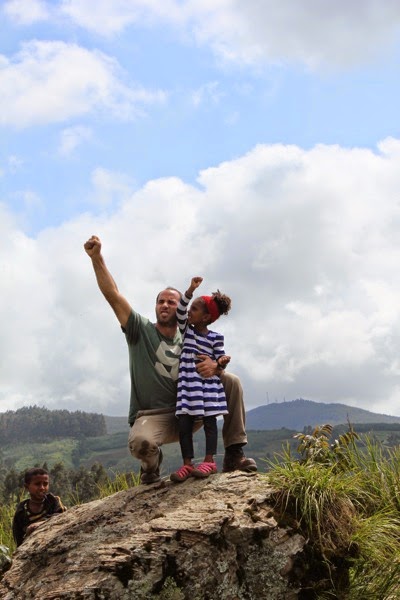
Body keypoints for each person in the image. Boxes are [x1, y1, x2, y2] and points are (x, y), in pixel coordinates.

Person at [84, 235, 257, 484]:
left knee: (231, 381)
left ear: (182, 309)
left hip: (192, 407)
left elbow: (216, 363)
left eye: (171, 302)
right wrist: (97, 258)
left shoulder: (191, 337)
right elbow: (113, 295)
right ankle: (151, 467)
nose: (165, 305)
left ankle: (234, 454)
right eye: (160, 301)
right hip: (155, 416)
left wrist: (216, 368)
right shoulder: (140, 330)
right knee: (141, 443)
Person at [171, 276, 231, 482]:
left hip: (208, 388)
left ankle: (209, 461)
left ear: (206, 317)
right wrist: (190, 291)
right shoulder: (186, 331)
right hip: (188, 388)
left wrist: (221, 362)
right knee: (184, 426)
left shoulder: (215, 337)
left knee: (210, 423)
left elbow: (219, 359)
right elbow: (180, 311)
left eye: (194, 309)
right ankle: (187, 464)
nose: (189, 312)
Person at [12, 468, 66, 547]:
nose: (42, 488)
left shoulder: (53, 501)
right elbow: (19, 539)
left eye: (45, 484)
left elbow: (62, 518)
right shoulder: (22, 511)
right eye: (37, 484)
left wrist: (40, 524)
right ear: (27, 487)